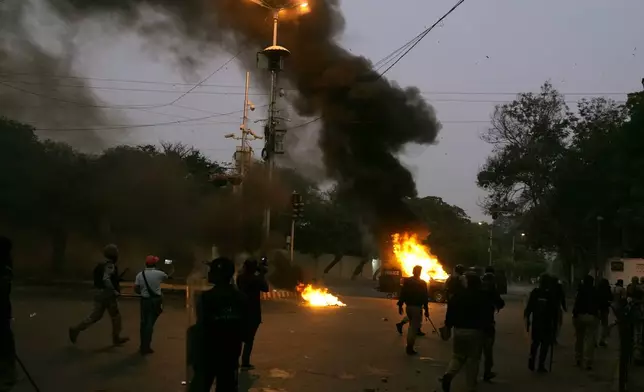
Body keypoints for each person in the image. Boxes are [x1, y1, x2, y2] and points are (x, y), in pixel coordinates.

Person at [189, 257, 247, 392]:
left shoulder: (205, 298)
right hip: (230, 354)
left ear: (218, 274)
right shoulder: (241, 298)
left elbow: (201, 326)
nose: (208, 273)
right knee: (227, 386)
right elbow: (243, 329)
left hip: (208, 353)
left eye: (211, 270)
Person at [69, 244, 129, 346]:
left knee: (95, 316)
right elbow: (106, 279)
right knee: (115, 317)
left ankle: (76, 329)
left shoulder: (101, 265)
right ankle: (116, 338)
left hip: (99, 293)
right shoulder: (110, 265)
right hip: (107, 294)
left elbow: (103, 279)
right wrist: (113, 290)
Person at [440, 272, 488, 392]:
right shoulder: (482, 296)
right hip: (476, 332)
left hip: (459, 331)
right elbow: (486, 315)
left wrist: (448, 326)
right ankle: (471, 386)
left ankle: (449, 374)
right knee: (473, 359)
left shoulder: (457, 296)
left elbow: (450, 313)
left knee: (457, 356)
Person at [236, 258, 269, 370]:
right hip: (253, 312)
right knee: (249, 340)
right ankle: (245, 362)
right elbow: (265, 288)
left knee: (239, 338)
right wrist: (262, 274)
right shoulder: (256, 279)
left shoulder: (240, 277)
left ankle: (235, 360)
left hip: (240, 310)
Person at [134, 255, 170, 355]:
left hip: (145, 301)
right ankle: (146, 346)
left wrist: (143, 292)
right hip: (156, 301)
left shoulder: (140, 275)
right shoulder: (159, 273)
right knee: (150, 323)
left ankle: (143, 345)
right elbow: (166, 277)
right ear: (155, 264)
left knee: (144, 322)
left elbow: (136, 289)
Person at [524, 274, 558, 373]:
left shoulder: (535, 292)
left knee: (535, 343)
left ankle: (532, 360)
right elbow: (554, 312)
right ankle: (540, 365)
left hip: (537, 323)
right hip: (546, 324)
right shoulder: (551, 294)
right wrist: (555, 325)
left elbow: (529, 308)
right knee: (544, 344)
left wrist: (528, 320)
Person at [397, 265, 429, 355]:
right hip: (416, 307)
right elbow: (425, 298)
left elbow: (402, 293)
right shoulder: (422, 283)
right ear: (420, 273)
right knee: (413, 329)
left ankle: (409, 346)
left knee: (412, 325)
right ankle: (409, 348)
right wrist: (426, 310)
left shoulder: (407, 281)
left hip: (408, 308)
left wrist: (400, 305)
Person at [572, 275, 601, 370]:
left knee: (579, 338)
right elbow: (598, 304)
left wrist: (575, 315)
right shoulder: (595, 291)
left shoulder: (580, 291)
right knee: (590, 340)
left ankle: (578, 358)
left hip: (580, 316)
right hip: (592, 316)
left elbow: (576, 304)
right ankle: (588, 361)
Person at [481, 272, 505, 382]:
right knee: (488, 351)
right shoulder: (492, 291)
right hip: (487, 325)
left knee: (472, 353)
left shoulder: (476, 289)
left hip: (473, 325)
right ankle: (487, 373)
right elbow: (500, 303)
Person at [0, 236, 16, 391]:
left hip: (1, 306)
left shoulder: (4, 267)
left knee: (4, 337)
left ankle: (8, 371)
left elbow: (3, 288)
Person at [597, 278, 613, 347]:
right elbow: (611, 298)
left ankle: (594, 340)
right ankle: (602, 340)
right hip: (605, 309)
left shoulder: (597, 289)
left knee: (596, 325)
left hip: (597, 309)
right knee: (604, 325)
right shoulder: (608, 289)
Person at [553, 278, 567, 345]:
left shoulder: (548, 287)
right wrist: (564, 308)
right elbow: (562, 299)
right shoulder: (559, 288)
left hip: (550, 308)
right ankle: (554, 337)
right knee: (558, 323)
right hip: (556, 308)